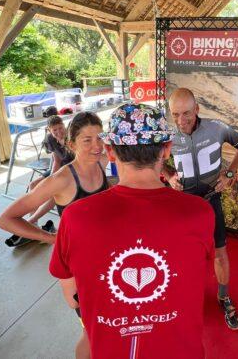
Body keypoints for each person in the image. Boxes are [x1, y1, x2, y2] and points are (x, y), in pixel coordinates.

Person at [49, 103, 214, 359]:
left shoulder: (75, 217)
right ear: (167, 149)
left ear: (110, 152)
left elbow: (73, 298)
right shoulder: (199, 212)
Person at [0, 111, 108, 359]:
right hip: (78, 269)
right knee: (91, 333)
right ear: (71, 144)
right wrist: (52, 239)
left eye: (99, 137)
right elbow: (5, 219)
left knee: (107, 327)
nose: (97, 145)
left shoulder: (102, 163)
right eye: (87, 140)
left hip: (104, 263)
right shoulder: (62, 179)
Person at [163, 88, 238, 331]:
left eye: (187, 113)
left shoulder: (217, 128)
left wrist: (229, 175)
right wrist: (168, 176)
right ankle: (184, 295)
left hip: (211, 200)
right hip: (184, 205)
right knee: (181, 255)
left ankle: (224, 297)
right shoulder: (168, 134)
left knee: (220, 252)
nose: (181, 120)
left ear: (197, 109)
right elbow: (155, 159)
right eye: (175, 114)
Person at [4, 115, 75, 246]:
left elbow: (76, 160)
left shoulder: (71, 138)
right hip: (59, 168)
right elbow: (56, 160)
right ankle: (34, 226)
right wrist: (52, 178)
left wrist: (54, 183)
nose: (59, 132)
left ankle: (30, 221)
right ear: (49, 130)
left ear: (64, 125)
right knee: (33, 185)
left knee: (55, 193)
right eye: (55, 130)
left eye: (60, 128)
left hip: (71, 171)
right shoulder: (50, 139)